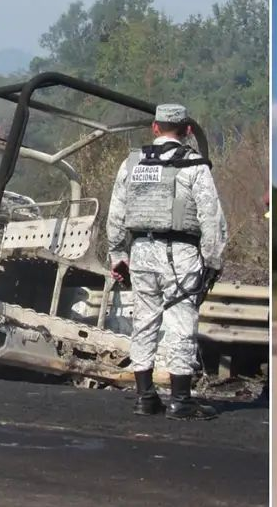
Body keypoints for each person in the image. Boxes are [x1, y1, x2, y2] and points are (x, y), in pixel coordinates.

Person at [105, 104, 228, 420]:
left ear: (155, 128)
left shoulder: (132, 164)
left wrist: (119, 256)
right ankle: (181, 401)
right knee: (181, 324)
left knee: (144, 321)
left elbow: (116, 214)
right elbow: (212, 219)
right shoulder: (194, 166)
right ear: (187, 131)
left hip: (142, 251)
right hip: (180, 254)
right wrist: (213, 262)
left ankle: (145, 397)